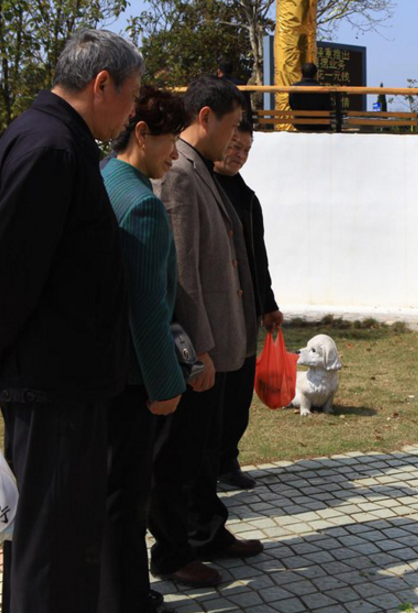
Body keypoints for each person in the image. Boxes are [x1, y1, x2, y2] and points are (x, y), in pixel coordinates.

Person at [0, 29, 142, 613]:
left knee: (66, 542)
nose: (134, 111)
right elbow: (10, 276)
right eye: (131, 96)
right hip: (50, 389)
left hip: (68, 385)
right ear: (101, 83)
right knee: (49, 550)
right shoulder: (50, 148)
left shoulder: (60, 140)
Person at [149, 75, 261, 588]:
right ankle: (175, 551)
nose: (234, 139)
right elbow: (182, 274)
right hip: (200, 349)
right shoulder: (180, 174)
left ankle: (208, 532)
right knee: (179, 457)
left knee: (202, 450)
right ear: (206, 118)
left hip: (217, 343)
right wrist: (199, 351)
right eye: (232, 126)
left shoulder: (201, 171)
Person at [99, 86, 188, 613]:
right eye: (170, 142)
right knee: (127, 496)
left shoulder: (104, 178)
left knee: (109, 491)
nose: (174, 155)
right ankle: (126, 597)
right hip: (132, 378)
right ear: (141, 135)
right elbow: (147, 308)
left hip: (100, 370)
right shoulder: (142, 206)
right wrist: (165, 385)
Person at [214, 121, 283, 490]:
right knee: (213, 395)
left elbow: (259, 259)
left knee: (239, 392)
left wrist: (268, 304)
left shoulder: (248, 198)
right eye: (233, 145)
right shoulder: (200, 186)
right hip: (213, 310)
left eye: (246, 150)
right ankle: (205, 464)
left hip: (245, 311)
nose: (238, 155)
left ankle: (227, 460)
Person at [289, 62, 333, 132]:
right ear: (315, 75)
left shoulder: (294, 88)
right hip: (320, 125)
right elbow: (328, 108)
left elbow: (292, 106)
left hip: (300, 124)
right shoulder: (323, 89)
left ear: (302, 74)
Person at [217, 57, 253, 124]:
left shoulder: (215, 85)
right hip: (240, 123)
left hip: (220, 122)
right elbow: (247, 108)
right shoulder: (241, 85)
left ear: (219, 71)